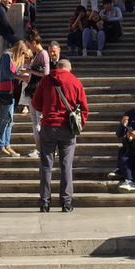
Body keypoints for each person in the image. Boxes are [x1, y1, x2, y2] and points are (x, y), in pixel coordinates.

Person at [31, 58, 88, 213]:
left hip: (48, 126)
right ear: (69, 69)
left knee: (46, 166)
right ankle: (66, 202)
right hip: (67, 128)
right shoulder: (75, 81)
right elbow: (84, 108)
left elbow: (35, 103)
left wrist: (47, 111)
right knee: (66, 166)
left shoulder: (45, 80)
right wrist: (79, 125)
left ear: (56, 67)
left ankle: (45, 202)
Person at [0, 42, 32, 158]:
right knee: (4, 120)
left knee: (9, 120)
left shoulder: (12, 59)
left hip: (9, 91)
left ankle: (7, 145)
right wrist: (20, 76)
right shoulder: (6, 56)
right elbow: (7, 73)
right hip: (3, 91)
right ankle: (1, 146)